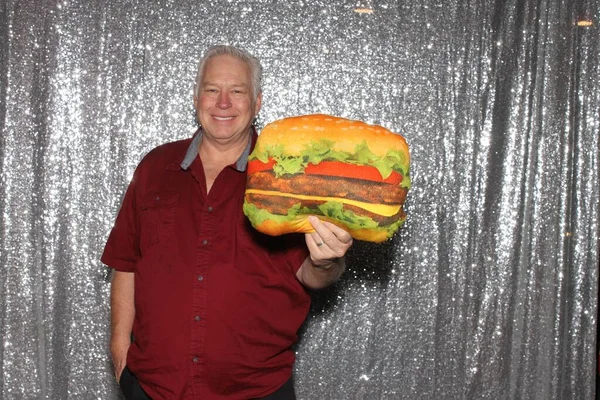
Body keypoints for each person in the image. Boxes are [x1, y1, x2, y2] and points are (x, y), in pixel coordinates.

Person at [101, 45, 353, 400]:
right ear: (196, 97)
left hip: (256, 390)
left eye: (237, 91)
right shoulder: (155, 167)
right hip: (154, 388)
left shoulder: (290, 177)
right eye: (211, 90)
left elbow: (312, 274)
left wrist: (326, 259)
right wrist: (119, 349)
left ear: (257, 101)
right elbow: (125, 262)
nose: (223, 102)